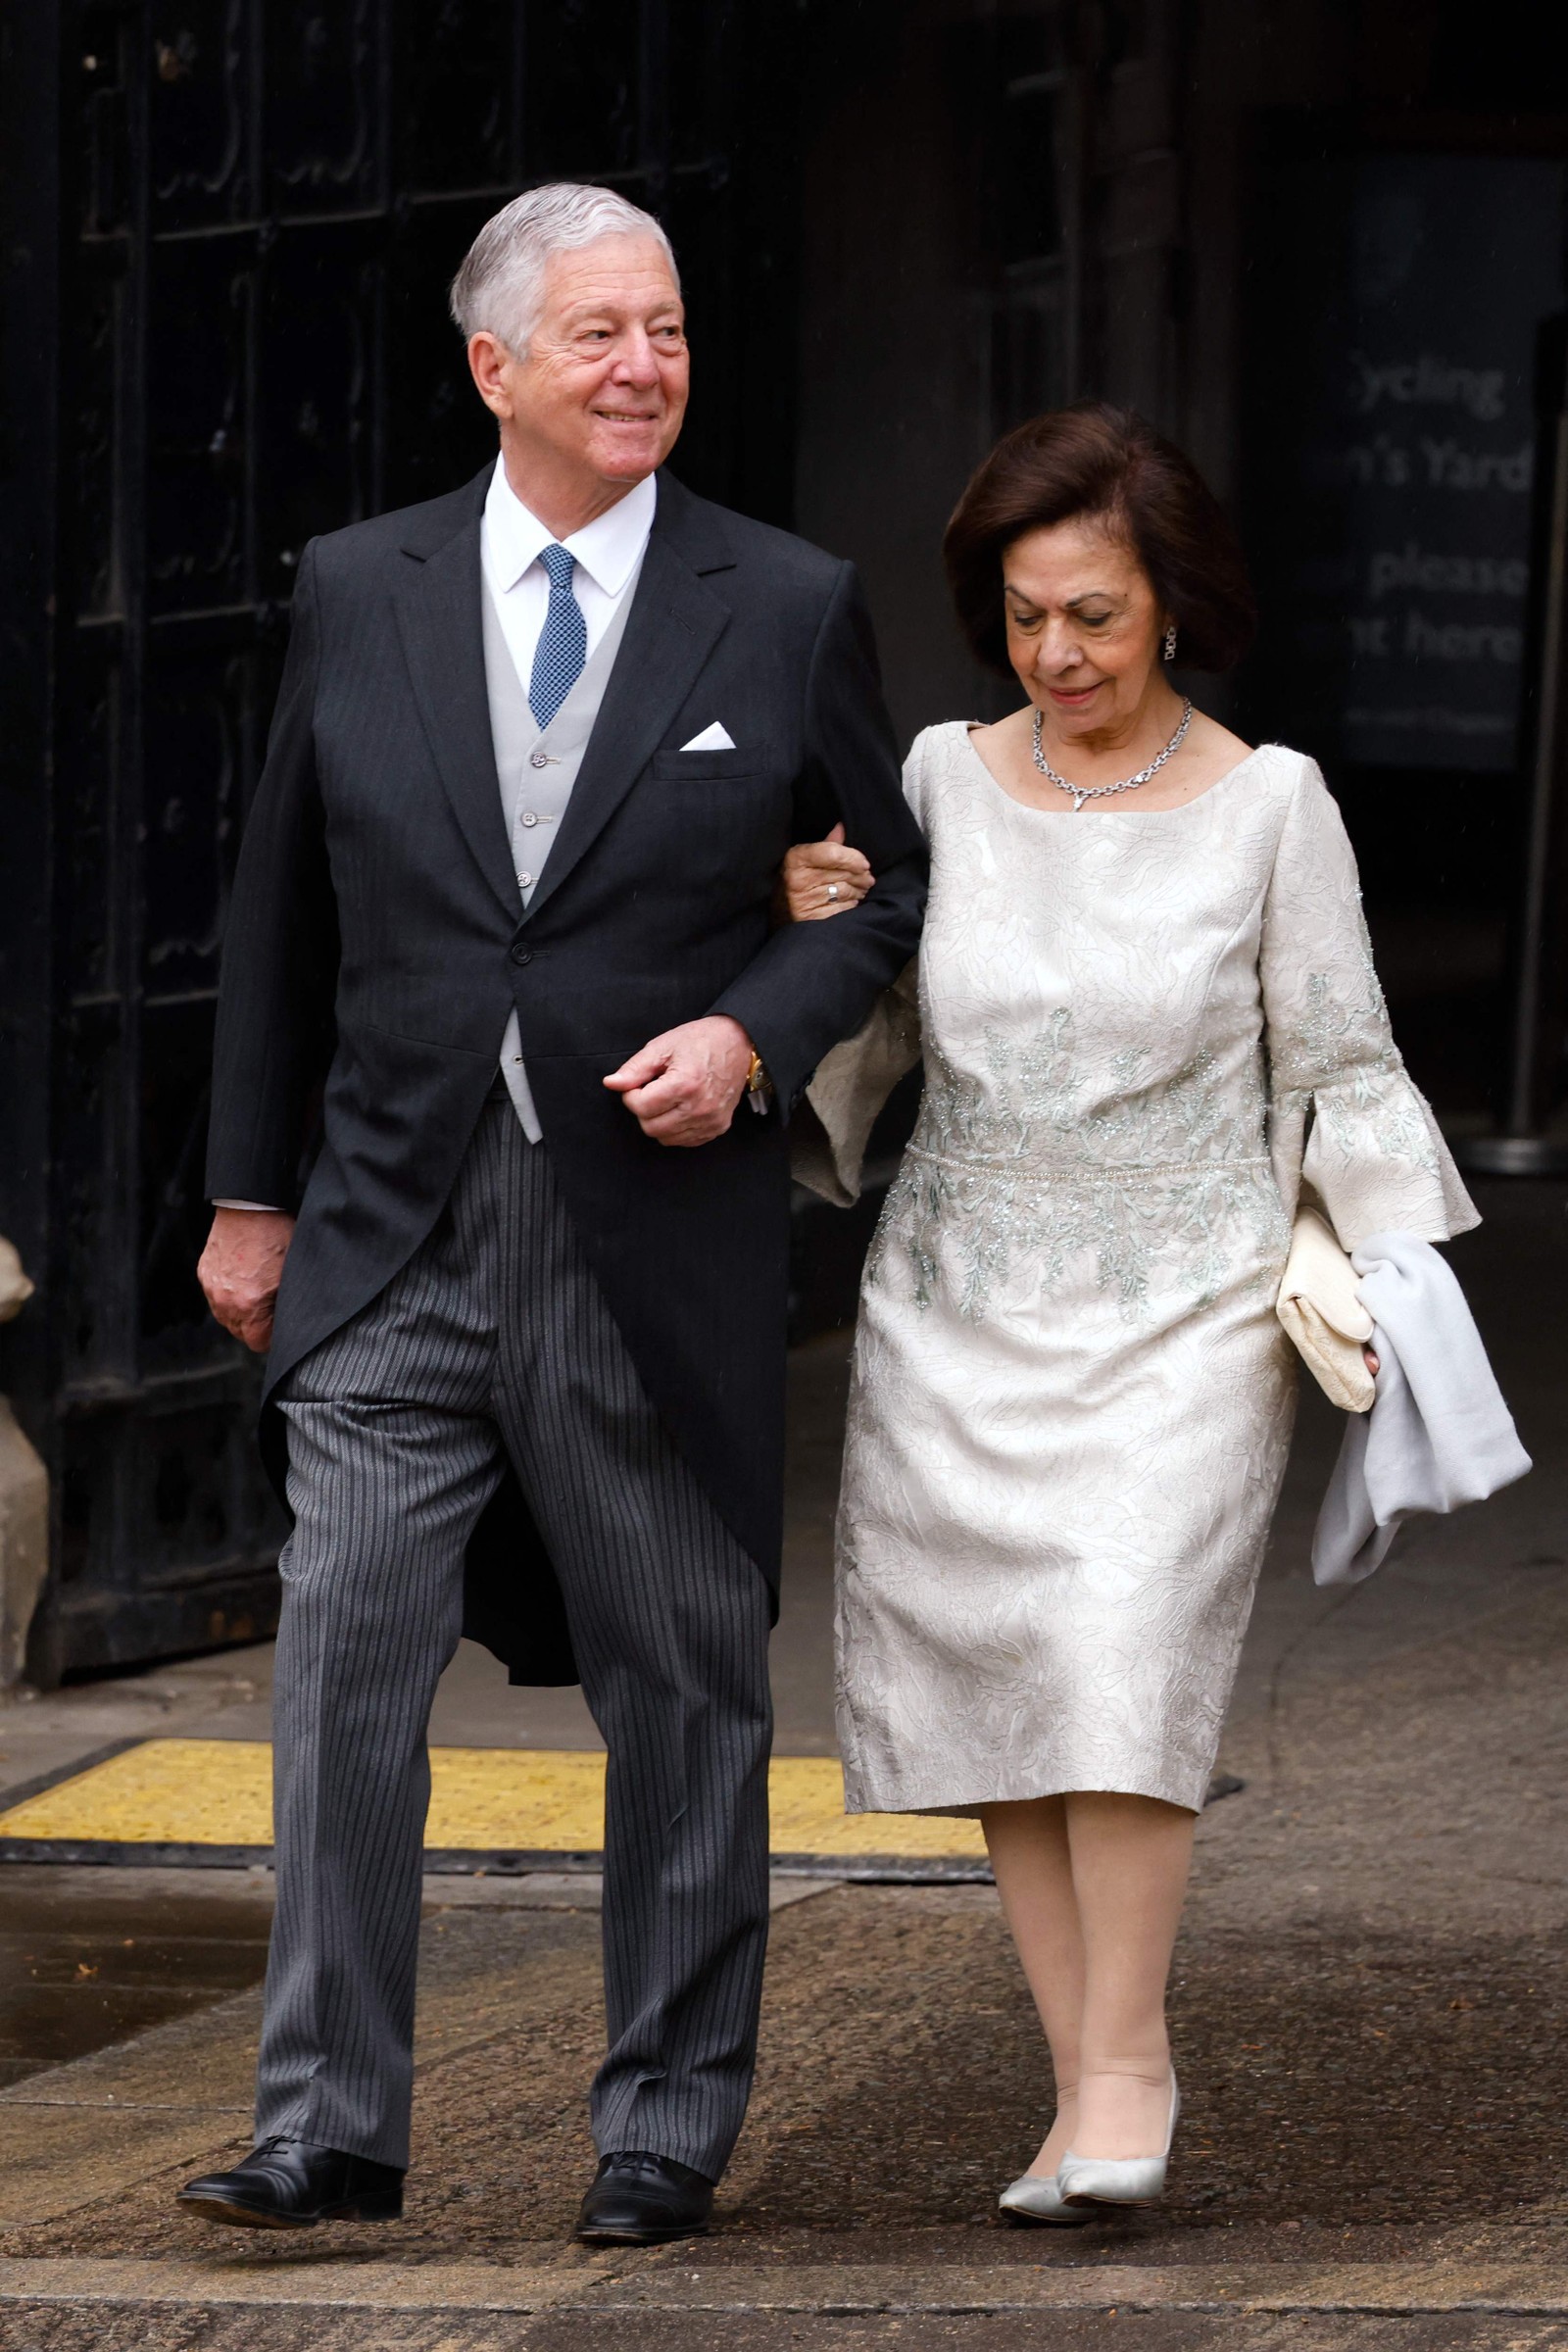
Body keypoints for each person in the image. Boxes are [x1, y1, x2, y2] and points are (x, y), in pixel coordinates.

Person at [180, 182, 925, 2246]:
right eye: (597, 333)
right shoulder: (357, 583)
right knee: (341, 1660)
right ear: (493, 366)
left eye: (667, 329)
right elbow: (276, 914)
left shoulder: (776, 601)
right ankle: (327, 2121)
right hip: (388, 1226)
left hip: (642, 1236)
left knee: (685, 1678)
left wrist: (750, 1033)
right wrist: (250, 1201)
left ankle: (664, 2124)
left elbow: (888, 883)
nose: (643, 366)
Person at [782, 403, 1477, 2220]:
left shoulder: (1272, 803)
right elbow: (868, 1031)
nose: (1056, 656)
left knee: (1117, 1663)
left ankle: (1132, 2058)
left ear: (1173, 604)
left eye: (1091, 613)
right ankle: (1084, 2077)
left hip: (1188, 1310)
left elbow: (1340, 1057)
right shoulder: (933, 778)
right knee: (1002, 1680)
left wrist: (1398, 1280)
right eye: (1023, 617)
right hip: (954, 1294)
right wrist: (806, 927)